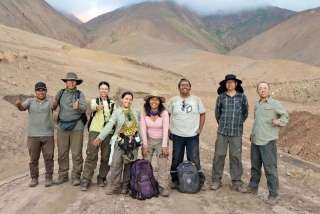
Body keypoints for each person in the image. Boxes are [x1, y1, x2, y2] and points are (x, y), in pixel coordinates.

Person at [245, 81, 288, 204]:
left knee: (270, 168)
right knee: (255, 167)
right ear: (258, 91)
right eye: (260, 88)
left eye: (265, 88)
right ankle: (253, 187)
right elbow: (257, 121)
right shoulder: (257, 104)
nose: (262, 90)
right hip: (256, 140)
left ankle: (273, 194)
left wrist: (278, 122)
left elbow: (285, 117)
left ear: (269, 90)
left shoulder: (275, 104)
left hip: (268, 141)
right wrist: (252, 133)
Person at [93, 91, 140, 195]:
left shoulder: (136, 112)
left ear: (132, 101)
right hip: (119, 141)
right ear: (122, 100)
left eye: (130, 99)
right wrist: (100, 137)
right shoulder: (117, 112)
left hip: (132, 144)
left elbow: (139, 127)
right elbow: (110, 124)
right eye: (126, 98)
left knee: (128, 165)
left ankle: (125, 187)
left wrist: (140, 140)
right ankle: (114, 186)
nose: (128, 101)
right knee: (116, 164)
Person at [211, 74, 248, 192]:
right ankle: (216, 180)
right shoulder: (221, 97)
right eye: (228, 82)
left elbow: (245, 113)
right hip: (222, 132)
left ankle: (236, 182)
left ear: (236, 84)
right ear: (225, 84)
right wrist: (222, 123)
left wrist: (237, 123)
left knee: (236, 157)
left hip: (236, 132)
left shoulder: (242, 97)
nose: (230, 84)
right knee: (219, 155)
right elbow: (217, 113)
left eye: (232, 82)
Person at [168, 78, 206, 189]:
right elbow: (168, 114)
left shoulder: (196, 100)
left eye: (187, 85)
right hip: (177, 134)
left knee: (194, 158)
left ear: (190, 87)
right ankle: (175, 179)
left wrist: (200, 129)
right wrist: (168, 129)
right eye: (182, 85)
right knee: (176, 158)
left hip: (192, 135)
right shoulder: (173, 100)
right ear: (179, 87)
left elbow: (202, 114)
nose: (184, 86)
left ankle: (198, 180)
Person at [15, 82, 55, 187]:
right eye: (38, 90)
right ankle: (34, 178)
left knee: (49, 157)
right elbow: (22, 108)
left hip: (48, 135)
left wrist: (57, 102)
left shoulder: (49, 101)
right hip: (33, 135)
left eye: (43, 90)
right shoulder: (30, 101)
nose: (41, 92)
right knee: (33, 158)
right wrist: (19, 105)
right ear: (35, 92)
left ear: (46, 91)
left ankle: (49, 178)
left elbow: (54, 106)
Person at [80, 81, 116, 191]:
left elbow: (114, 117)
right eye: (102, 89)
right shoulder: (94, 101)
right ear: (99, 90)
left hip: (108, 133)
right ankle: (86, 179)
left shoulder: (113, 103)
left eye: (106, 89)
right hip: (95, 131)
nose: (103, 90)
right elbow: (93, 107)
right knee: (91, 155)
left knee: (106, 156)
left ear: (108, 90)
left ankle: (102, 178)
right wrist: (98, 107)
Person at [54, 72, 87, 186]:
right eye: (69, 81)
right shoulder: (61, 92)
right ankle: (63, 175)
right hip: (62, 126)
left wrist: (78, 107)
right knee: (62, 152)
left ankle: (76, 176)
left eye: (73, 81)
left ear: (76, 83)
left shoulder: (80, 94)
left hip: (77, 126)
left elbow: (84, 108)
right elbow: (54, 105)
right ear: (66, 82)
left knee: (76, 153)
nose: (71, 82)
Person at [140, 92, 170, 197]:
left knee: (162, 164)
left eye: (157, 99)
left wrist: (164, 145)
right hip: (148, 140)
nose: (154, 101)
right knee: (146, 163)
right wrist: (145, 145)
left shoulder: (164, 113)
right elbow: (143, 129)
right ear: (148, 101)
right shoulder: (144, 112)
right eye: (152, 99)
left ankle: (163, 187)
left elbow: (166, 129)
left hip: (161, 141)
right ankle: (146, 185)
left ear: (160, 102)